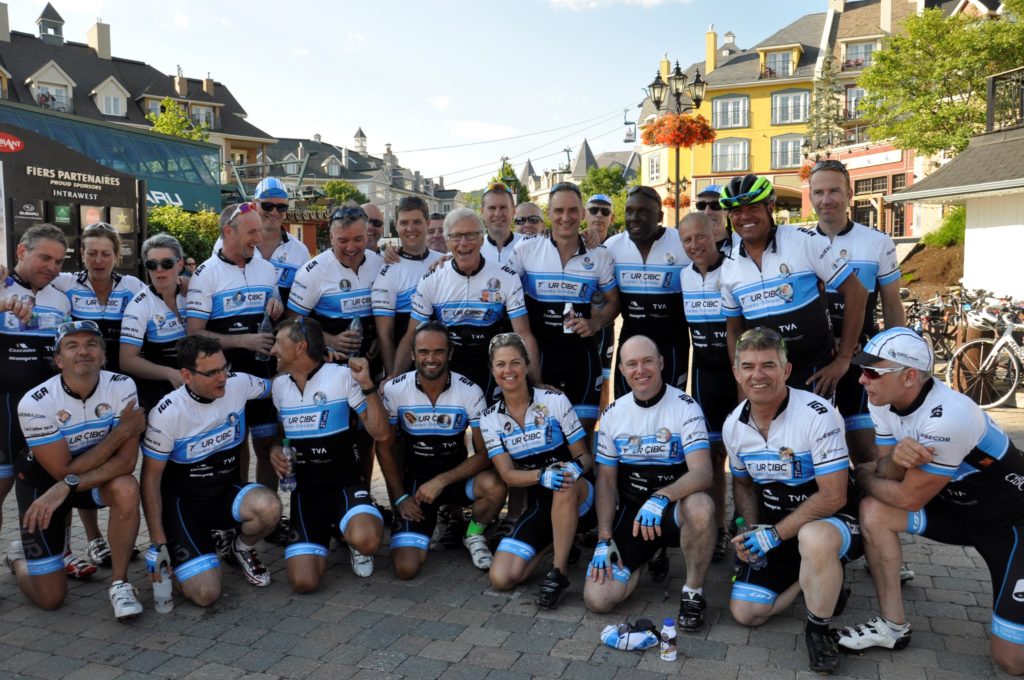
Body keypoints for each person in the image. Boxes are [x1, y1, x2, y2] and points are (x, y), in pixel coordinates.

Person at [836, 328, 1024, 674]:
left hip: (1011, 524)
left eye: (873, 372)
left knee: (1011, 661)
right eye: (861, 369)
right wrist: (892, 463)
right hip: (957, 508)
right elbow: (888, 470)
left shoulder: (948, 417)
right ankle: (892, 626)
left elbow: (907, 496)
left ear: (909, 376)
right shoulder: (883, 400)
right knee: (874, 510)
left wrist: (862, 476)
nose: (862, 379)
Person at [725, 327, 861, 674]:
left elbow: (834, 495)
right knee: (746, 613)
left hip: (832, 519)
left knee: (812, 539)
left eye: (768, 365)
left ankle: (818, 630)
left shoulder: (818, 415)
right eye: (749, 366)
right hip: (778, 525)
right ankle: (811, 579)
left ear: (786, 371)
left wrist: (772, 535)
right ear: (736, 372)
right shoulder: (732, 425)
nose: (758, 375)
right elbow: (742, 486)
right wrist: (751, 529)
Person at [9, 319, 146, 618]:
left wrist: (67, 484)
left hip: (75, 484)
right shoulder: (34, 402)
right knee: (51, 599)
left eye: (91, 344)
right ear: (58, 360)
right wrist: (120, 433)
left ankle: (120, 583)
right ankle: (18, 558)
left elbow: (127, 463)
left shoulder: (123, 386)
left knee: (126, 486)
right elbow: (63, 470)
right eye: (72, 345)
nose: (82, 351)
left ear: (104, 355)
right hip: (41, 485)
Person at [584, 335, 716, 632]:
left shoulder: (685, 406)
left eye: (647, 361)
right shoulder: (613, 414)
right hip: (633, 516)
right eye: (631, 363)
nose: (640, 370)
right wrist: (604, 538)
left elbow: (703, 473)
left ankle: (693, 592)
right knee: (598, 599)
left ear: (661, 363)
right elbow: (605, 482)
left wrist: (662, 497)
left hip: (672, 509)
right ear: (621, 369)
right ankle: (646, 555)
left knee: (701, 506)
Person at [141, 336, 282, 606]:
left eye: (224, 368)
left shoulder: (238, 384)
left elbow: (278, 386)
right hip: (185, 507)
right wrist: (157, 541)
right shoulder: (167, 413)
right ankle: (182, 549)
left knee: (270, 508)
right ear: (186, 375)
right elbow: (149, 479)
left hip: (224, 494)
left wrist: (292, 360)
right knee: (207, 594)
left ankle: (238, 548)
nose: (222, 378)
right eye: (212, 373)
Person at [378, 320, 508, 578]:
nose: (431, 359)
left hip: (455, 479)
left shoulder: (470, 390)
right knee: (406, 568)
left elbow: (484, 454)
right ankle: (431, 521)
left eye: (438, 351)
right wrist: (400, 497)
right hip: (416, 486)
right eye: (423, 352)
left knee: (495, 485)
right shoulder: (394, 390)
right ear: (413, 354)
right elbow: (386, 448)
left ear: (450, 354)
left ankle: (473, 534)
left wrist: (441, 480)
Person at [186, 202, 285, 543]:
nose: (260, 237)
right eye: (252, 231)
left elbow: (274, 313)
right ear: (228, 232)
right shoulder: (206, 273)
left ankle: (266, 516)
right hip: (227, 377)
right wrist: (242, 340)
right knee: (235, 445)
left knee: (268, 442)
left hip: (263, 370)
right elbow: (195, 333)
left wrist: (276, 307)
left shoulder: (266, 268)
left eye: (260, 229)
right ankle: (237, 516)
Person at [719, 174, 868, 397]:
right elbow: (734, 330)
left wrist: (843, 359)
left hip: (814, 370)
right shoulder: (729, 265)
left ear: (770, 207)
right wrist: (741, 380)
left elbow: (857, 291)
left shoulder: (804, 241)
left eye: (752, 208)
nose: (745, 216)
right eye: (737, 211)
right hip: (767, 375)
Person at [267, 317, 390, 584]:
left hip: (345, 485)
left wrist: (368, 385)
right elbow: (282, 435)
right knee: (304, 583)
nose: (272, 350)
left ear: (300, 347)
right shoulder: (279, 386)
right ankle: (336, 527)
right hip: (306, 493)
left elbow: (380, 433)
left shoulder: (343, 376)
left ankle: (353, 535)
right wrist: (275, 450)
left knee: (367, 540)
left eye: (278, 343)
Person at [480, 332, 594, 608]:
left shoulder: (553, 401)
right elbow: (508, 476)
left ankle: (558, 572)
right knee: (502, 577)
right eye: (501, 364)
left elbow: (585, 457)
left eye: (515, 362)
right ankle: (555, 541)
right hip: (542, 502)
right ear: (492, 370)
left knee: (563, 482)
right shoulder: (490, 418)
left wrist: (569, 469)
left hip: (579, 493)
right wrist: (540, 476)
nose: (509, 370)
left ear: (527, 364)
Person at [808, 160, 904, 466]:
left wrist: (895, 356)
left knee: (864, 450)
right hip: (814, 357)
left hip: (860, 356)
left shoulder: (877, 242)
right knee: (809, 444)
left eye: (834, 190)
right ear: (810, 197)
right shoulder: (799, 242)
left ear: (849, 194)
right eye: (819, 192)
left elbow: (891, 304)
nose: (826, 199)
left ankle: (868, 510)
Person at [393, 208, 542, 403]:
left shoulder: (506, 277)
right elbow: (411, 334)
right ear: (448, 242)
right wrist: (394, 377)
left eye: (471, 235)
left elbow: (523, 334)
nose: (464, 243)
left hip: (488, 361)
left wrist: (537, 383)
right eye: (456, 236)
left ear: (482, 239)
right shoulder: (432, 279)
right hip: (450, 362)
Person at [513, 181, 619, 434]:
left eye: (573, 211)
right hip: (540, 355)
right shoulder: (526, 250)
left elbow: (615, 301)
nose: (566, 217)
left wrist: (595, 323)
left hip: (581, 355)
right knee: (543, 432)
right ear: (548, 213)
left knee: (583, 431)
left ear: (582, 214)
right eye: (558, 211)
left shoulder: (599, 255)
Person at [288, 204, 384, 483]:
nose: (351, 247)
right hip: (329, 368)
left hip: (369, 366)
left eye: (358, 239)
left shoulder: (380, 264)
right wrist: (330, 339)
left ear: (368, 234)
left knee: (368, 436)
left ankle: (363, 496)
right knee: (336, 437)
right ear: (330, 238)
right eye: (343, 240)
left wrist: (378, 337)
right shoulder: (312, 271)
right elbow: (292, 321)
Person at [0, 225, 73, 572]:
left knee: (57, 488)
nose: (52, 267)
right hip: (3, 416)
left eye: (58, 261)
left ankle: (63, 553)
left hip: (46, 419)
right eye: (45, 257)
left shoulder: (61, 298)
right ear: (20, 252)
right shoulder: (1, 286)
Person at [678, 213, 735, 562]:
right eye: (687, 240)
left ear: (715, 232)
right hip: (704, 373)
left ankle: (750, 525)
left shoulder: (735, 268)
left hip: (736, 374)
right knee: (713, 459)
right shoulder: (683, 275)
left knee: (744, 457)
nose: (695, 245)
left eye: (701, 236)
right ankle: (718, 529)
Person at [604, 185, 690, 398]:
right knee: (628, 409)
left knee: (672, 411)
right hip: (631, 341)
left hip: (672, 344)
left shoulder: (681, 243)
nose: (634, 217)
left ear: (660, 216)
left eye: (643, 211)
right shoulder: (612, 247)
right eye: (629, 211)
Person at [373, 196, 444, 377]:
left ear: (427, 223)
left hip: (446, 362)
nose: (410, 228)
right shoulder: (388, 270)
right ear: (396, 225)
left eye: (417, 222)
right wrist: (392, 377)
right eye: (404, 223)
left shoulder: (444, 262)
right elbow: (385, 335)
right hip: (407, 367)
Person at [120, 234, 188, 411]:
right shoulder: (139, 305)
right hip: (162, 392)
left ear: (180, 264)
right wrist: (169, 373)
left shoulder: (194, 291)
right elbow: (127, 360)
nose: (159, 270)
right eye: (152, 265)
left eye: (167, 263)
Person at [583, 193, 616, 412]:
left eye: (605, 211)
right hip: (579, 323)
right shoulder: (575, 241)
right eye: (593, 210)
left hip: (605, 325)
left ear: (612, 218)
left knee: (604, 381)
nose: (599, 215)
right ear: (585, 214)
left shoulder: (618, 246)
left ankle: (600, 433)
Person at [253, 176, 309, 306]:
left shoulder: (300, 251)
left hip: (284, 325)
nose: (274, 212)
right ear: (254, 205)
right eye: (268, 206)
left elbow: (305, 298)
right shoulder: (233, 242)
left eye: (281, 207)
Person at [479, 182, 522, 268]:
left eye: (503, 207)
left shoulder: (526, 245)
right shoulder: (473, 248)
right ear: (482, 212)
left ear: (513, 211)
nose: (498, 214)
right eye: (492, 208)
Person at [694, 185, 731, 252]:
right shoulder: (688, 247)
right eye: (701, 205)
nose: (707, 212)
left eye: (715, 205)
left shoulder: (742, 244)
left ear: (727, 210)